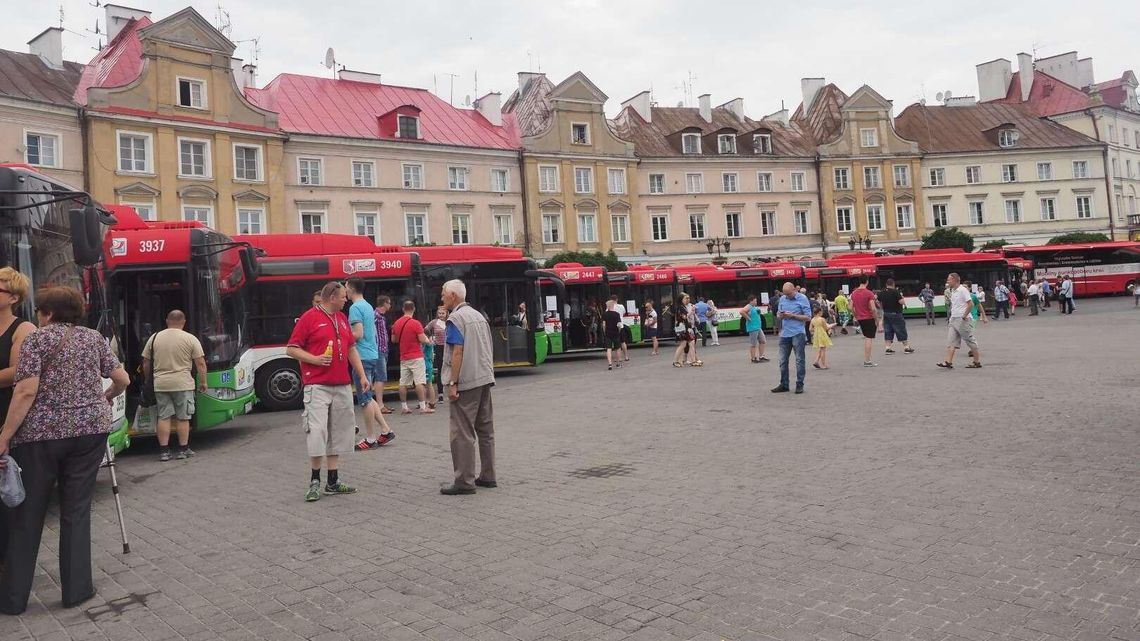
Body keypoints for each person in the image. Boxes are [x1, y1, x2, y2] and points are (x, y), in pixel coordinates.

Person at [0, 286, 130, 614]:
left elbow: (26, 391)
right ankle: (77, 590)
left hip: (40, 436)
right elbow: (123, 378)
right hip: (89, 433)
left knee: (27, 514)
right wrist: (107, 395)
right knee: (76, 510)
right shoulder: (93, 338)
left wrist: (4, 435)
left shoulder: (36, 340)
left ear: (47, 313)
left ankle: (13, 599)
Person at [287, 281, 371, 502]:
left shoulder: (341, 319)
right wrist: (314, 359)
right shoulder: (309, 318)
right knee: (317, 431)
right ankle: (314, 480)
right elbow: (291, 349)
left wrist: (361, 375)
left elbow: (351, 347)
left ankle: (332, 481)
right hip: (317, 384)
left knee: (339, 431)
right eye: (343, 296)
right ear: (332, 297)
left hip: (341, 383)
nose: (346, 299)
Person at [439, 279, 496, 495]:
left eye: (444, 294)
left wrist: (453, 382)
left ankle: (464, 480)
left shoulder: (456, 318)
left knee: (461, 432)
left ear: (453, 295)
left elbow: (457, 352)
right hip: (483, 378)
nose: (442, 298)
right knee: (485, 430)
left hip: (466, 381)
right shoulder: (478, 316)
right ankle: (488, 476)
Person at [0, 269, 35, 577]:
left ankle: (11, 562)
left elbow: (18, 372)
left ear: (13, 297)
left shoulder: (22, 328)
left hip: (5, 415)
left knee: (6, 493)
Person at [141, 310, 206, 462]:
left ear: (167, 321)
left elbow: (146, 362)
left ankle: (164, 451)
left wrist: (148, 379)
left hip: (161, 384)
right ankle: (183, 449)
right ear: (183, 322)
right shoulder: (190, 338)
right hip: (182, 383)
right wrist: (203, 381)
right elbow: (201, 363)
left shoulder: (154, 338)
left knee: (163, 416)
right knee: (183, 417)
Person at [346, 279, 393, 452]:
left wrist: (341, 336)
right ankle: (386, 430)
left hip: (362, 357)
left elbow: (357, 334)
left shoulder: (354, 308)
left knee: (365, 400)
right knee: (369, 396)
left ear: (351, 288)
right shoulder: (367, 305)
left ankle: (370, 438)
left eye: (346, 288)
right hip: (372, 354)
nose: (345, 292)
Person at [391, 300, 433, 414]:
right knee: (419, 382)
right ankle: (423, 407)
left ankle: (404, 407)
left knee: (403, 383)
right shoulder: (416, 323)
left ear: (403, 309)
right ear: (414, 309)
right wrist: (428, 341)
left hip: (404, 357)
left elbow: (393, 340)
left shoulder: (396, 323)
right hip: (416, 356)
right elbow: (422, 339)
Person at [771, 282, 811, 394]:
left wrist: (792, 316)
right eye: (785, 294)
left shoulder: (802, 299)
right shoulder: (783, 299)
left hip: (798, 333)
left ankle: (799, 384)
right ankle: (784, 384)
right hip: (785, 333)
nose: (787, 296)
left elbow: (808, 317)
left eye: (789, 294)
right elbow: (778, 314)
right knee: (782, 360)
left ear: (794, 290)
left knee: (799, 360)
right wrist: (781, 315)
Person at [938, 273, 982, 370]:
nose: (947, 281)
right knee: (951, 341)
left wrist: (964, 316)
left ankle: (976, 361)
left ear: (955, 280)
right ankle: (948, 362)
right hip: (953, 319)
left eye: (949, 280)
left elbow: (970, 304)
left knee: (970, 340)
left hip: (962, 319)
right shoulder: (953, 291)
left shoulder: (963, 290)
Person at [877, 279, 914, 355]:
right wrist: (902, 298)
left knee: (888, 330)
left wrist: (882, 306)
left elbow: (877, 301)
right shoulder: (895, 292)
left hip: (886, 314)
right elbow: (901, 302)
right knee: (901, 329)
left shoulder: (882, 292)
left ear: (886, 284)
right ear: (893, 284)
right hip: (896, 314)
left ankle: (888, 348)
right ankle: (906, 347)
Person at [850, 276, 880, 367]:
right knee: (869, 338)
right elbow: (873, 308)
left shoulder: (854, 293)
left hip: (860, 318)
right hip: (869, 318)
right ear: (867, 282)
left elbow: (850, 307)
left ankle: (867, 360)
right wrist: (877, 319)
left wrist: (856, 315)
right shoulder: (869, 293)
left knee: (866, 336)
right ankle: (867, 360)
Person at [373, 295, 394, 414]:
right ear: (385, 303)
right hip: (379, 350)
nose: (390, 306)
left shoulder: (381, 317)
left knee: (381, 377)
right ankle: (380, 405)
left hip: (383, 349)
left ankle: (380, 403)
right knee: (380, 377)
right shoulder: (375, 316)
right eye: (389, 303)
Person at [424, 306, 448, 405]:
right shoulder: (434, 322)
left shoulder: (450, 322)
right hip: (438, 347)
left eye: (443, 313)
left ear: (447, 314)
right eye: (439, 313)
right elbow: (425, 329)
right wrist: (430, 338)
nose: (441, 315)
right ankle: (441, 394)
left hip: (448, 348)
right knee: (440, 370)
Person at [672, 294, 698, 367]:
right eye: (685, 298)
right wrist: (692, 311)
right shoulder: (681, 308)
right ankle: (676, 361)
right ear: (681, 300)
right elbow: (685, 317)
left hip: (685, 327)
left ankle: (693, 361)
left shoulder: (682, 307)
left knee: (690, 343)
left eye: (688, 298)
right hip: (683, 328)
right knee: (684, 344)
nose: (687, 300)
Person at [741, 294, 768, 363]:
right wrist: (748, 318)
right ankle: (753, 358)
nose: (756, 302)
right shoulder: (748, 306)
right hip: (753, 328)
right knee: (753, 344)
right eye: (755, 301)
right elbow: (742, 311)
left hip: (758, 327)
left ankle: (761, 356)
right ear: (751, 301)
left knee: (762, 341)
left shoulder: (754, 307)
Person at [602, 299, 622, 370]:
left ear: (607, 306)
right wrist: (619, 331)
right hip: (616, 333)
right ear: (613, 305)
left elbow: (604, 325)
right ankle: (618, 364)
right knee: (618, 348)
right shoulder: (617, 314)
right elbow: (619, 325)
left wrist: (605, 331)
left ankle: (610, 364)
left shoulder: (604, 314)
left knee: (609, 348)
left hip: (608, 333)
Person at [610, 295, 631, 361]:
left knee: (615, 343)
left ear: (611, 300)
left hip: (613, 327)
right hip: (621, 326)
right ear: (617, 299)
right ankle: (626, 357)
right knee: (623, 342)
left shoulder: (610, 307)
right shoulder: (621, 306)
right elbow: (624, 313)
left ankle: (618, 358)